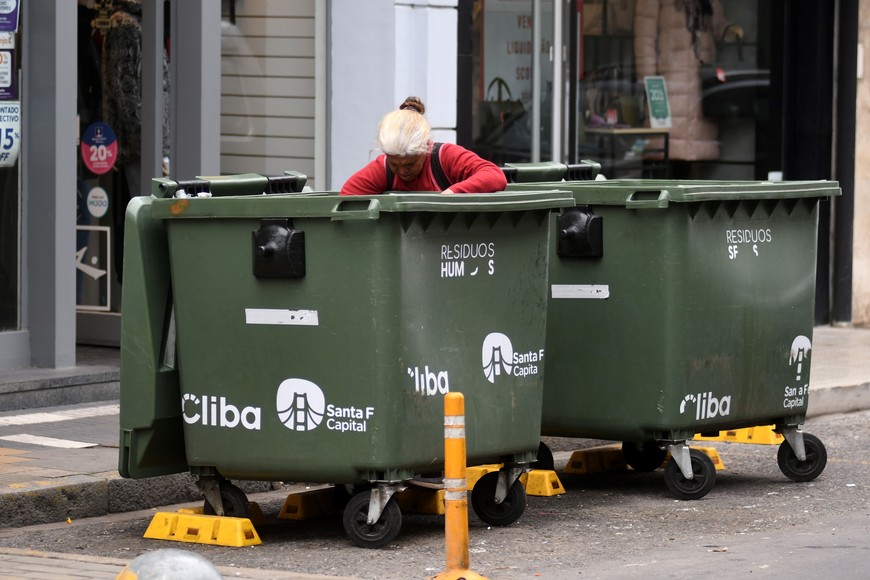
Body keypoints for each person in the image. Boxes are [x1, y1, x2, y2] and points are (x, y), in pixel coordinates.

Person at [340, 97, 507, 195]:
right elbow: (346, 197)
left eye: (410, 164)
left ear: (425, 148)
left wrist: (452, 194)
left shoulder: (445, 157)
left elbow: (494, 175)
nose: (402, 172)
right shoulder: (383, 168)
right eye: (395, 165)